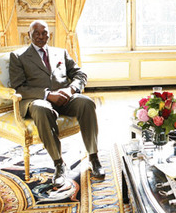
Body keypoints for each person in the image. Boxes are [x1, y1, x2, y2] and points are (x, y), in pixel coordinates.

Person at [9, 20, 105, 188]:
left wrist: (71, 89)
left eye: (44, 33)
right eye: (36, 33)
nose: (41, 36)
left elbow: (80, 74)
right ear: (29, 35)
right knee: (41, 108)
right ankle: (59, 163)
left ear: (49, 34)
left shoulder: (60, 52)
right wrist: (47, 95)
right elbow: (18, 87)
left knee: (87, 103)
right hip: (38, 100)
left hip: (64, 97)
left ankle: (94, 157)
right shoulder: (19, 57)